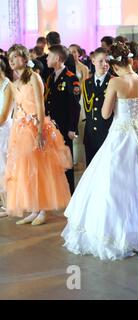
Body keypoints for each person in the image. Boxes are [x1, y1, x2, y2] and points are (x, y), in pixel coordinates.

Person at [61, 42, 138, 260]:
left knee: (114, 184)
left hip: (120, 135)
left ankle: (116, 233)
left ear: (113, 65)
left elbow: (105, 114)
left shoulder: (115, 82)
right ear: (131, 60)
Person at [6, 44, 72, 225]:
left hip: (36, 126)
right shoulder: (15, 81)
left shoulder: (34, 77)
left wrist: (40, 131)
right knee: (27, 169)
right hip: (21, 128)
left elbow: (40, 105)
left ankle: (43, 209)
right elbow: (17, 107)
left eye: (15, 57)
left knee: (41, 167)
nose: (11, 61)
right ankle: (34, 208)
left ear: (25, 58)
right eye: (10, 58)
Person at [44, 44, 81, 193]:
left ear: (57, 58)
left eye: (49, 56)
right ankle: (57, 193)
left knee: (66, 161)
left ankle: (69, 193)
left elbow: (75, 106)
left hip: (65, 127)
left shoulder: (71, 78)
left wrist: (72, 128)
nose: (47, 58)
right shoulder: (50, 77)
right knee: (53, 160)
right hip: (51, 126)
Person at [82, 47, 112, 165]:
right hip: (90, 135)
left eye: (107, 61)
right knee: (91, 169)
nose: (104, 64)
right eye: (101, 61)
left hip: (107, 133)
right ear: (93, 61)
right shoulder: (86, 83)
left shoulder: (113, 81)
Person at [69, 44, 90, 170]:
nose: (72, 54)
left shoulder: (83, 68)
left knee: (80, 128)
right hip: (69, 99)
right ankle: (73, 159)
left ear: (79, 53)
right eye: (70, 52)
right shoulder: (66, 67)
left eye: (74, 52)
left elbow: (85, 85)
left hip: (81, 99)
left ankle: (81, 160)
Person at [0, 58, 13, 217]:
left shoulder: (7, 85)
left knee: (4, 167)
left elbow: (4, 115)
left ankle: (8, 204)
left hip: (3, 130)